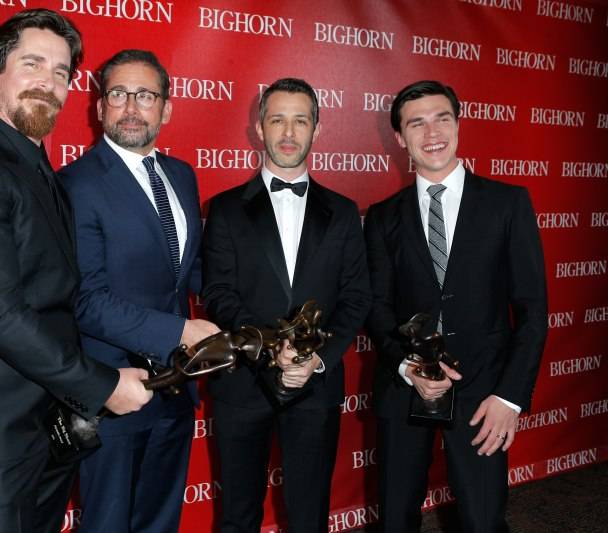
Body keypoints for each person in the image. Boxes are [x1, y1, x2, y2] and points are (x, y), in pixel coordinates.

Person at [0, 10, 152, 533]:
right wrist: (104, 384)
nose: (47, 82)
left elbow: (55, 298)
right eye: (32, 64)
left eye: (61, 72)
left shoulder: (34, 166)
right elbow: (0, 316)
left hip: (44, 424)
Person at [364, 80, 548, 532]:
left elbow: (532, 310)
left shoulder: (508, 203)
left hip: (484, 392)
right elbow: (377, 308)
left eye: (442, 118)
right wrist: (409, 369)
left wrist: (509, 397)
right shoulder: (382, 216)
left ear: (459, 125)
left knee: (484, 521)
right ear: (399, 138)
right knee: (394, 520)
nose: (432, 133)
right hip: (404, 387)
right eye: (417, 123)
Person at [201, 78, 372, 533]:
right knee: (238, 516)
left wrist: (317, 357)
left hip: (315, 385)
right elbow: (218, 293)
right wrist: (269, 348)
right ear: (259, 128)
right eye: (278, 119)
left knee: (309, 514)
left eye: (302, 120)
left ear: (317, 129)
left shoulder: (343, 212)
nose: (289, 132)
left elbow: (357, 297)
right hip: (242, 383)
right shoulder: (225, 209)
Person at [59, 49, 219, 533]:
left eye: (145, 95)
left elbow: (188, 273)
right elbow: (85, 299)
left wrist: (245, 311)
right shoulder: (74, 184)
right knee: (108, 523)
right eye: (118, 94)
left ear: (166, 109)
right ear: (99, 106)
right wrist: (180, 330)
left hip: (177, 386)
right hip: (114, 389)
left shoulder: (182, 176)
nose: (131, 107)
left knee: (159, 521)